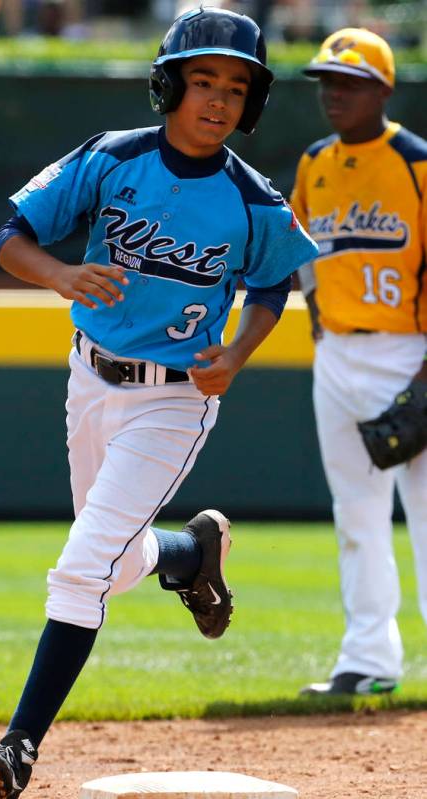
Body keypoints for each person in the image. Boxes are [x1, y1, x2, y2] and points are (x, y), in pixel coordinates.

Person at [0, 7, 317, 798]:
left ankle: (18, 747)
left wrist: (237, 351)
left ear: (251, 103)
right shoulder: (111, 158)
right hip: (87, 378)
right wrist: (57, 274)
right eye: (202, 81)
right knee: (115, 562)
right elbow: (9, 235)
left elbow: (273, 280)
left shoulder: (251, 198)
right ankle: (191, 554)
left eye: (236, 87)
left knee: (81, 568)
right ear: (168, 84)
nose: (218, 100)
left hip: (175, 400)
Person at [290, 28, 427, 696]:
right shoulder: (313, 162)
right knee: (355, 512)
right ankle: (368, 658)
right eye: (326, 82)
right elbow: (302, 257)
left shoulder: (416, 163)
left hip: (411, 350)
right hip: (337, 355)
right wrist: (320, 327)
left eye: (346, 82)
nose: (333, 94)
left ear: (382, 88)